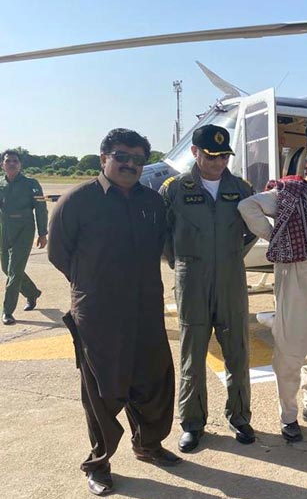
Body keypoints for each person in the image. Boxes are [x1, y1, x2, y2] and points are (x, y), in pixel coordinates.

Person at [48, 129, 181, 496]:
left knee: (154, 381)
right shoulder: (77, 201)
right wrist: (95, 284)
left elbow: (159, 247)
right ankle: (99, 462)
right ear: (103, 157)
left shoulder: (153, 203)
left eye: (138, 159)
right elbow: (60, 254)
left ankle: (148, 444)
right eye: (123, 156)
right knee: (103, 391)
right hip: (100, 314)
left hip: (146, 310)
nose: (130, 165)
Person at [160, 124, 256, 452]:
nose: (218, 163)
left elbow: (253, 229)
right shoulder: (174, 188)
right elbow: (163, 234)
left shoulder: (241, 189)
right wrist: (183, 263)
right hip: (192, 280)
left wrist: (231, 257)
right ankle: (192, 423)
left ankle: (240, 416)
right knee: (192, 353)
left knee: (237, 351)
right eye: (211, 156)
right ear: (195, 153)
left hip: (231, 278)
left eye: (223, 156)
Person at [238, 146, 307, 442]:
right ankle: (289, 417)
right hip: (296, 286)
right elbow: (247, 207)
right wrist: (277, 237)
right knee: (290, 355)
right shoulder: (289, 193)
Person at [0, 150, 48, 325]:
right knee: (6, 267)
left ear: (20, 165)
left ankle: (7, 311)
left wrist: (43, 233)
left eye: (15, 161)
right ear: (2, 164)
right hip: (4, 229)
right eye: (8, 161)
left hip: (25, 229)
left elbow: (41, 209)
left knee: (15, 271)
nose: (12, 163)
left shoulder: (31, 184)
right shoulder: (0, 183)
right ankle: (32, 292)